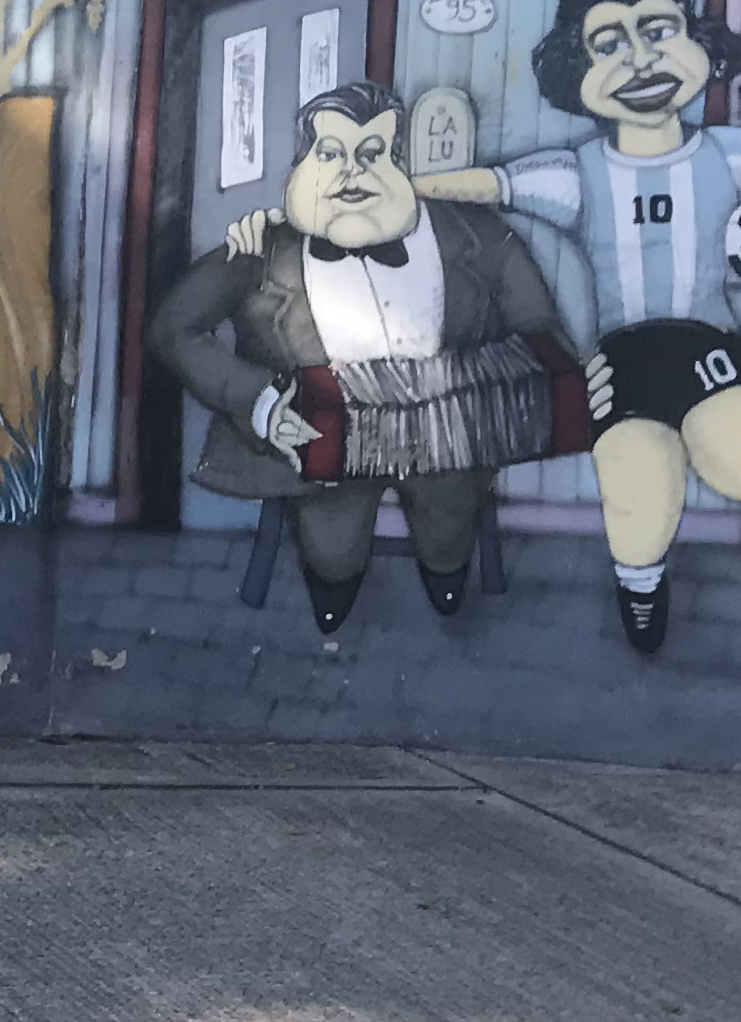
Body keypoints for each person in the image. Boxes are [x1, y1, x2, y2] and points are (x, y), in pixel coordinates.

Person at [411, 0, 741, 680]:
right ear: (579, 75)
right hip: (625, 357)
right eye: (609, 44)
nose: (641, 58)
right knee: (639, 495)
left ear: (700, 45)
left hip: (709, 350)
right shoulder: (575, 172)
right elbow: (484, 184)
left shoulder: (734, 154)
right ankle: (641, 586)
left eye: (660, 30)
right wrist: (394, 190)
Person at [155, 81, 580, 636]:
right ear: (304, 162)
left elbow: (538, 323)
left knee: (449, 533)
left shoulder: (476, 235)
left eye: (372, 154)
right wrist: (259, 402)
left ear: (401, 165)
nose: (351, 171)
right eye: (330, 154)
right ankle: (334, 594)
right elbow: (174, 328)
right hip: (320, 440)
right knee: (333, 551)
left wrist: (520, 384)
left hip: (449, 436)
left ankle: (446, 580)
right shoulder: (258, 250)